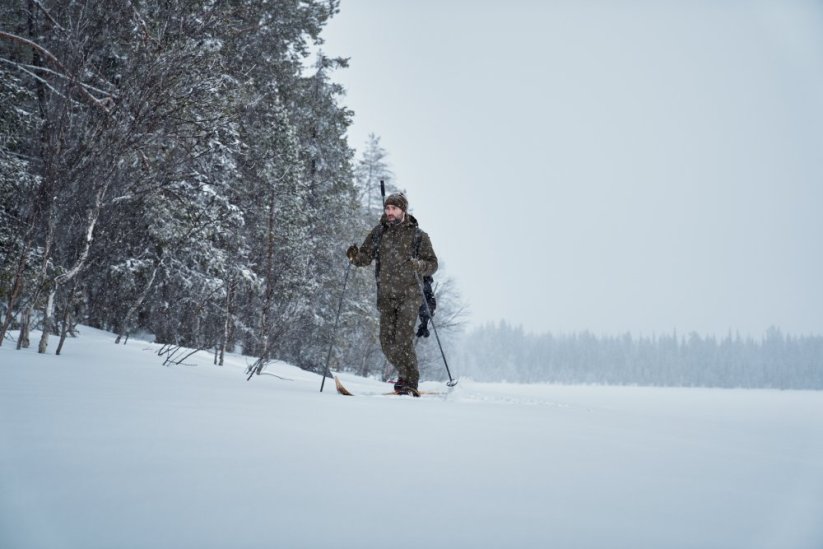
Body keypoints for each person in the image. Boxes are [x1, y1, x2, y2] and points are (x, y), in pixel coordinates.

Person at [347, 193, 438, 395]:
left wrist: (419, 265)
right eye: (387, 208)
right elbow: (365, 257)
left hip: (410, 295)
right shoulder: (379, 233)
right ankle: (405, 376)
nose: (389, 212)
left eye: (394, 209)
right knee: (386, 342)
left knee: (403, 339)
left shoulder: (418, 236)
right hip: (386, 296)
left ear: (403, 210)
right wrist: (354, 257)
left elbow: (432, 264)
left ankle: (410, 381)